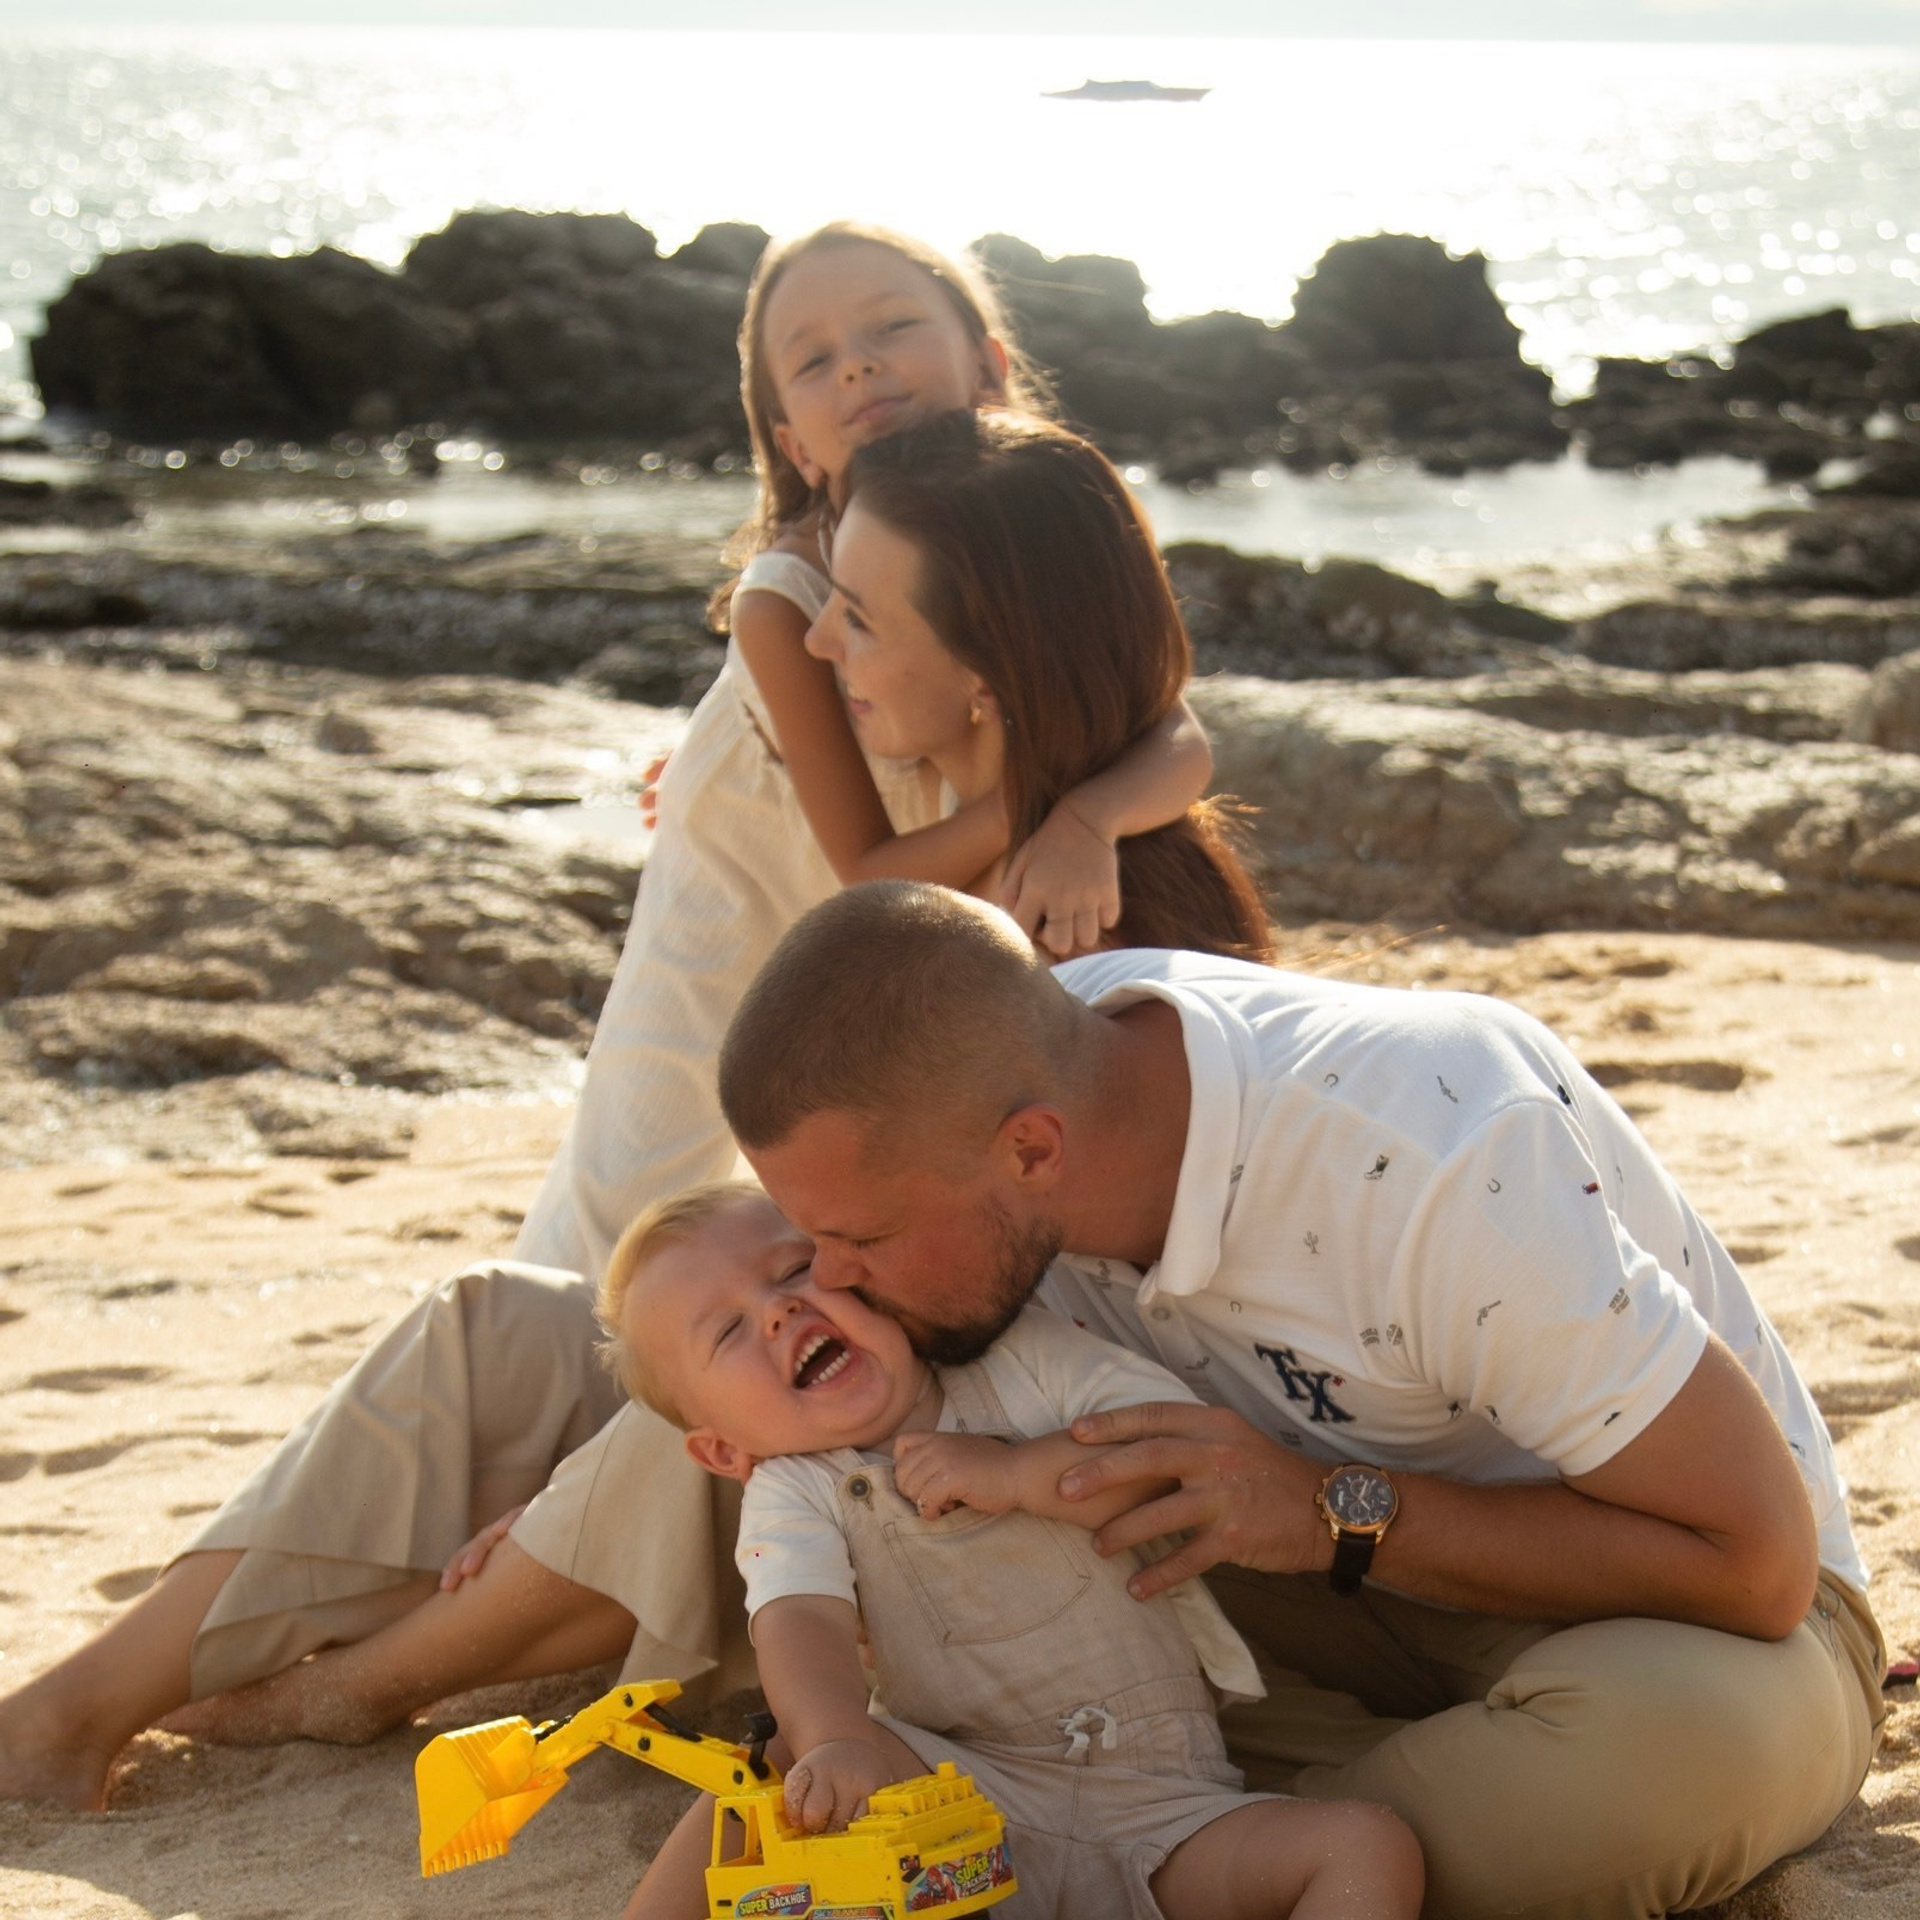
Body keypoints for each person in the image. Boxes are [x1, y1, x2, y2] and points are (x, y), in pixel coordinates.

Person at [0, 228, 1233, 1809]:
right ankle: (75, 1703)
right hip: (702, 1127)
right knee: (494, 1334)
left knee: (657, 1416)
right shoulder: (831, 626)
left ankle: (361, 1677)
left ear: (991, 362)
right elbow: (869, 844)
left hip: (838, 1204)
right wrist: (1004, 788)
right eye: (814, 358)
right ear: (783, 434)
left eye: (893, 332)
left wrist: (1079, 803)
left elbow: (1158, 723)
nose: (859, 368)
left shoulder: (1019, 612)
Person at [714, 878, 1886, 1920]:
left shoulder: (1435, 1163)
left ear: (1032, 1152)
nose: (829, 1275)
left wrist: (1328, 1510)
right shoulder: (980, 1090)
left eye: (858, 1238)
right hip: (1260, 1590)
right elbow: (731, 1305)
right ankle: (1202, 1839)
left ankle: (1131, 1850)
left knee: (1691, 1757)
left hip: (1670, 1612)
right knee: (762, 1389)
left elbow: (1758, 1564)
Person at [600, 1181, 1424, 1920]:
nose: (777, 1311)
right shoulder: (798, 1487)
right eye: (730, 1331)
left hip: (1164, 1811)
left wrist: (1022, 1471)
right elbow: (799, 1619)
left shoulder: (1022, 1361)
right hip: (955, 1804)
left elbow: (1176, 1461)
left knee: (1365, 1850)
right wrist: (834, 1736)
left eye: (790, 1270)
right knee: (765, 1781)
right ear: (721, 1452)